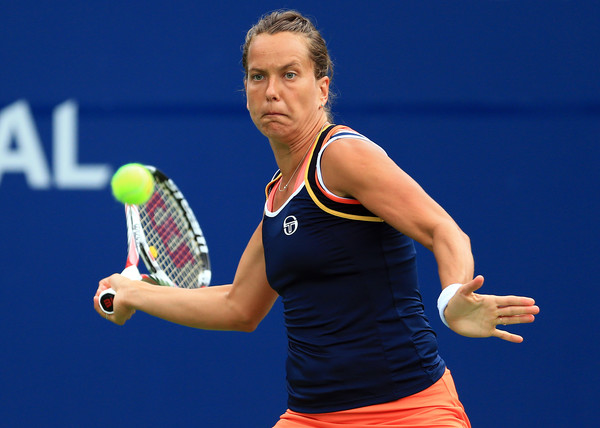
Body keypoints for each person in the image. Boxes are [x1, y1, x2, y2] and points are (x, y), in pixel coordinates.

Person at [94, 10, 540, 427]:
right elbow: (239, 306)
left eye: (289, 75)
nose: (271, 91)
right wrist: (132, 294)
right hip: (312, 416)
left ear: (322, 88)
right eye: (257, 77)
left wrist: (451, 298)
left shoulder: (341, 155)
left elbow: (443, 230)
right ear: (246, 92)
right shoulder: (279, 193)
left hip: (407, 410)